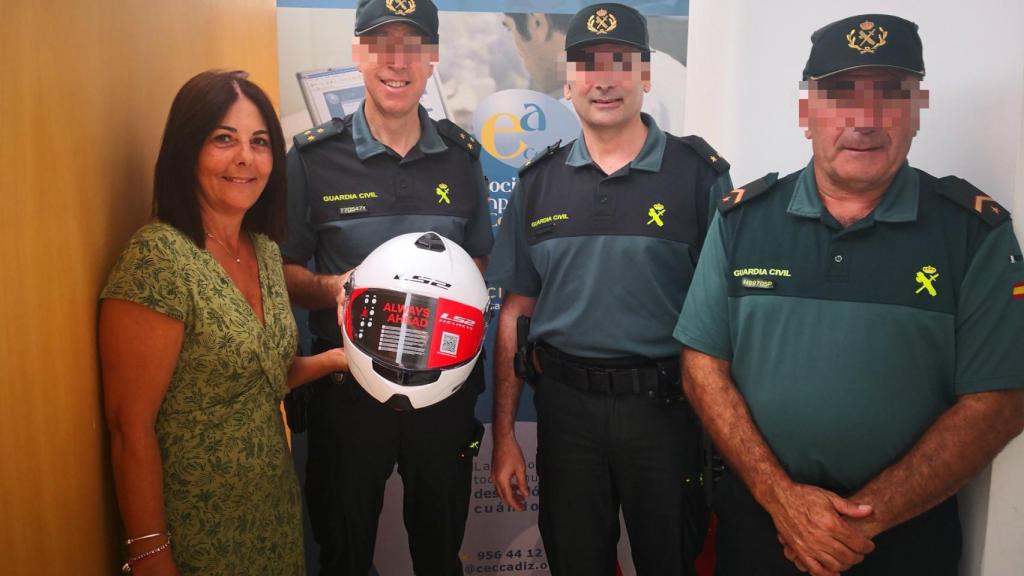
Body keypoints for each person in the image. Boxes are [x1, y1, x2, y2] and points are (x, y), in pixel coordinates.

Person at [675, 14, 1024, 576]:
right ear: (804, 115)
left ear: (917, 112)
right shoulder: (744, 221)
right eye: (840, 96)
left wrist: (859, 520)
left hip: (905, 540)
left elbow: (1000, 401)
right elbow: (701, 366)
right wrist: (782, 499)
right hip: (764, 527)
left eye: (890, 96)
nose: (865, 121)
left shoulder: (972, 234)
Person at [487, 4, 732, 575]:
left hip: (667, 415)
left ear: (645, 75)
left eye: (620, 63)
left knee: (672, 562)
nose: (604, 80)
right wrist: (504, 436)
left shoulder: (698, 176)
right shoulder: (537, 183)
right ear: (569, 77)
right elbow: (515, 312)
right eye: (588, 64)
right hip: (566, 415)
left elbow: (729, 314)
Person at [99, 70, 347, 576]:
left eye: (260, 143)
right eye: (223, 140)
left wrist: (338, 359)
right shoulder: (158, 258)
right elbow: (130, 427)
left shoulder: (263, 250)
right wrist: (149, 554)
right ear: (186, 150)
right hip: (196, 532)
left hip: (272, 516)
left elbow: (261, 378)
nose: (245, 159)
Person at [279, 0, 493, 574]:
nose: (396, 61)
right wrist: (339, 288)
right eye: (381, 43)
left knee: (440, 550)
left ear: (433, 59)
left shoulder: (460, 157)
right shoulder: (311, 159)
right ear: (358, 54)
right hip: (346, 394)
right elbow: (282, 273)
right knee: (342, 553)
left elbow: (477, 263)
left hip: (443, 394)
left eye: (413, 44)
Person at [501, 11, 687, 135]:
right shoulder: (674, 72)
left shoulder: (574, 113)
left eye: (509, 28)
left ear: (537, 23)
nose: (603, 84)